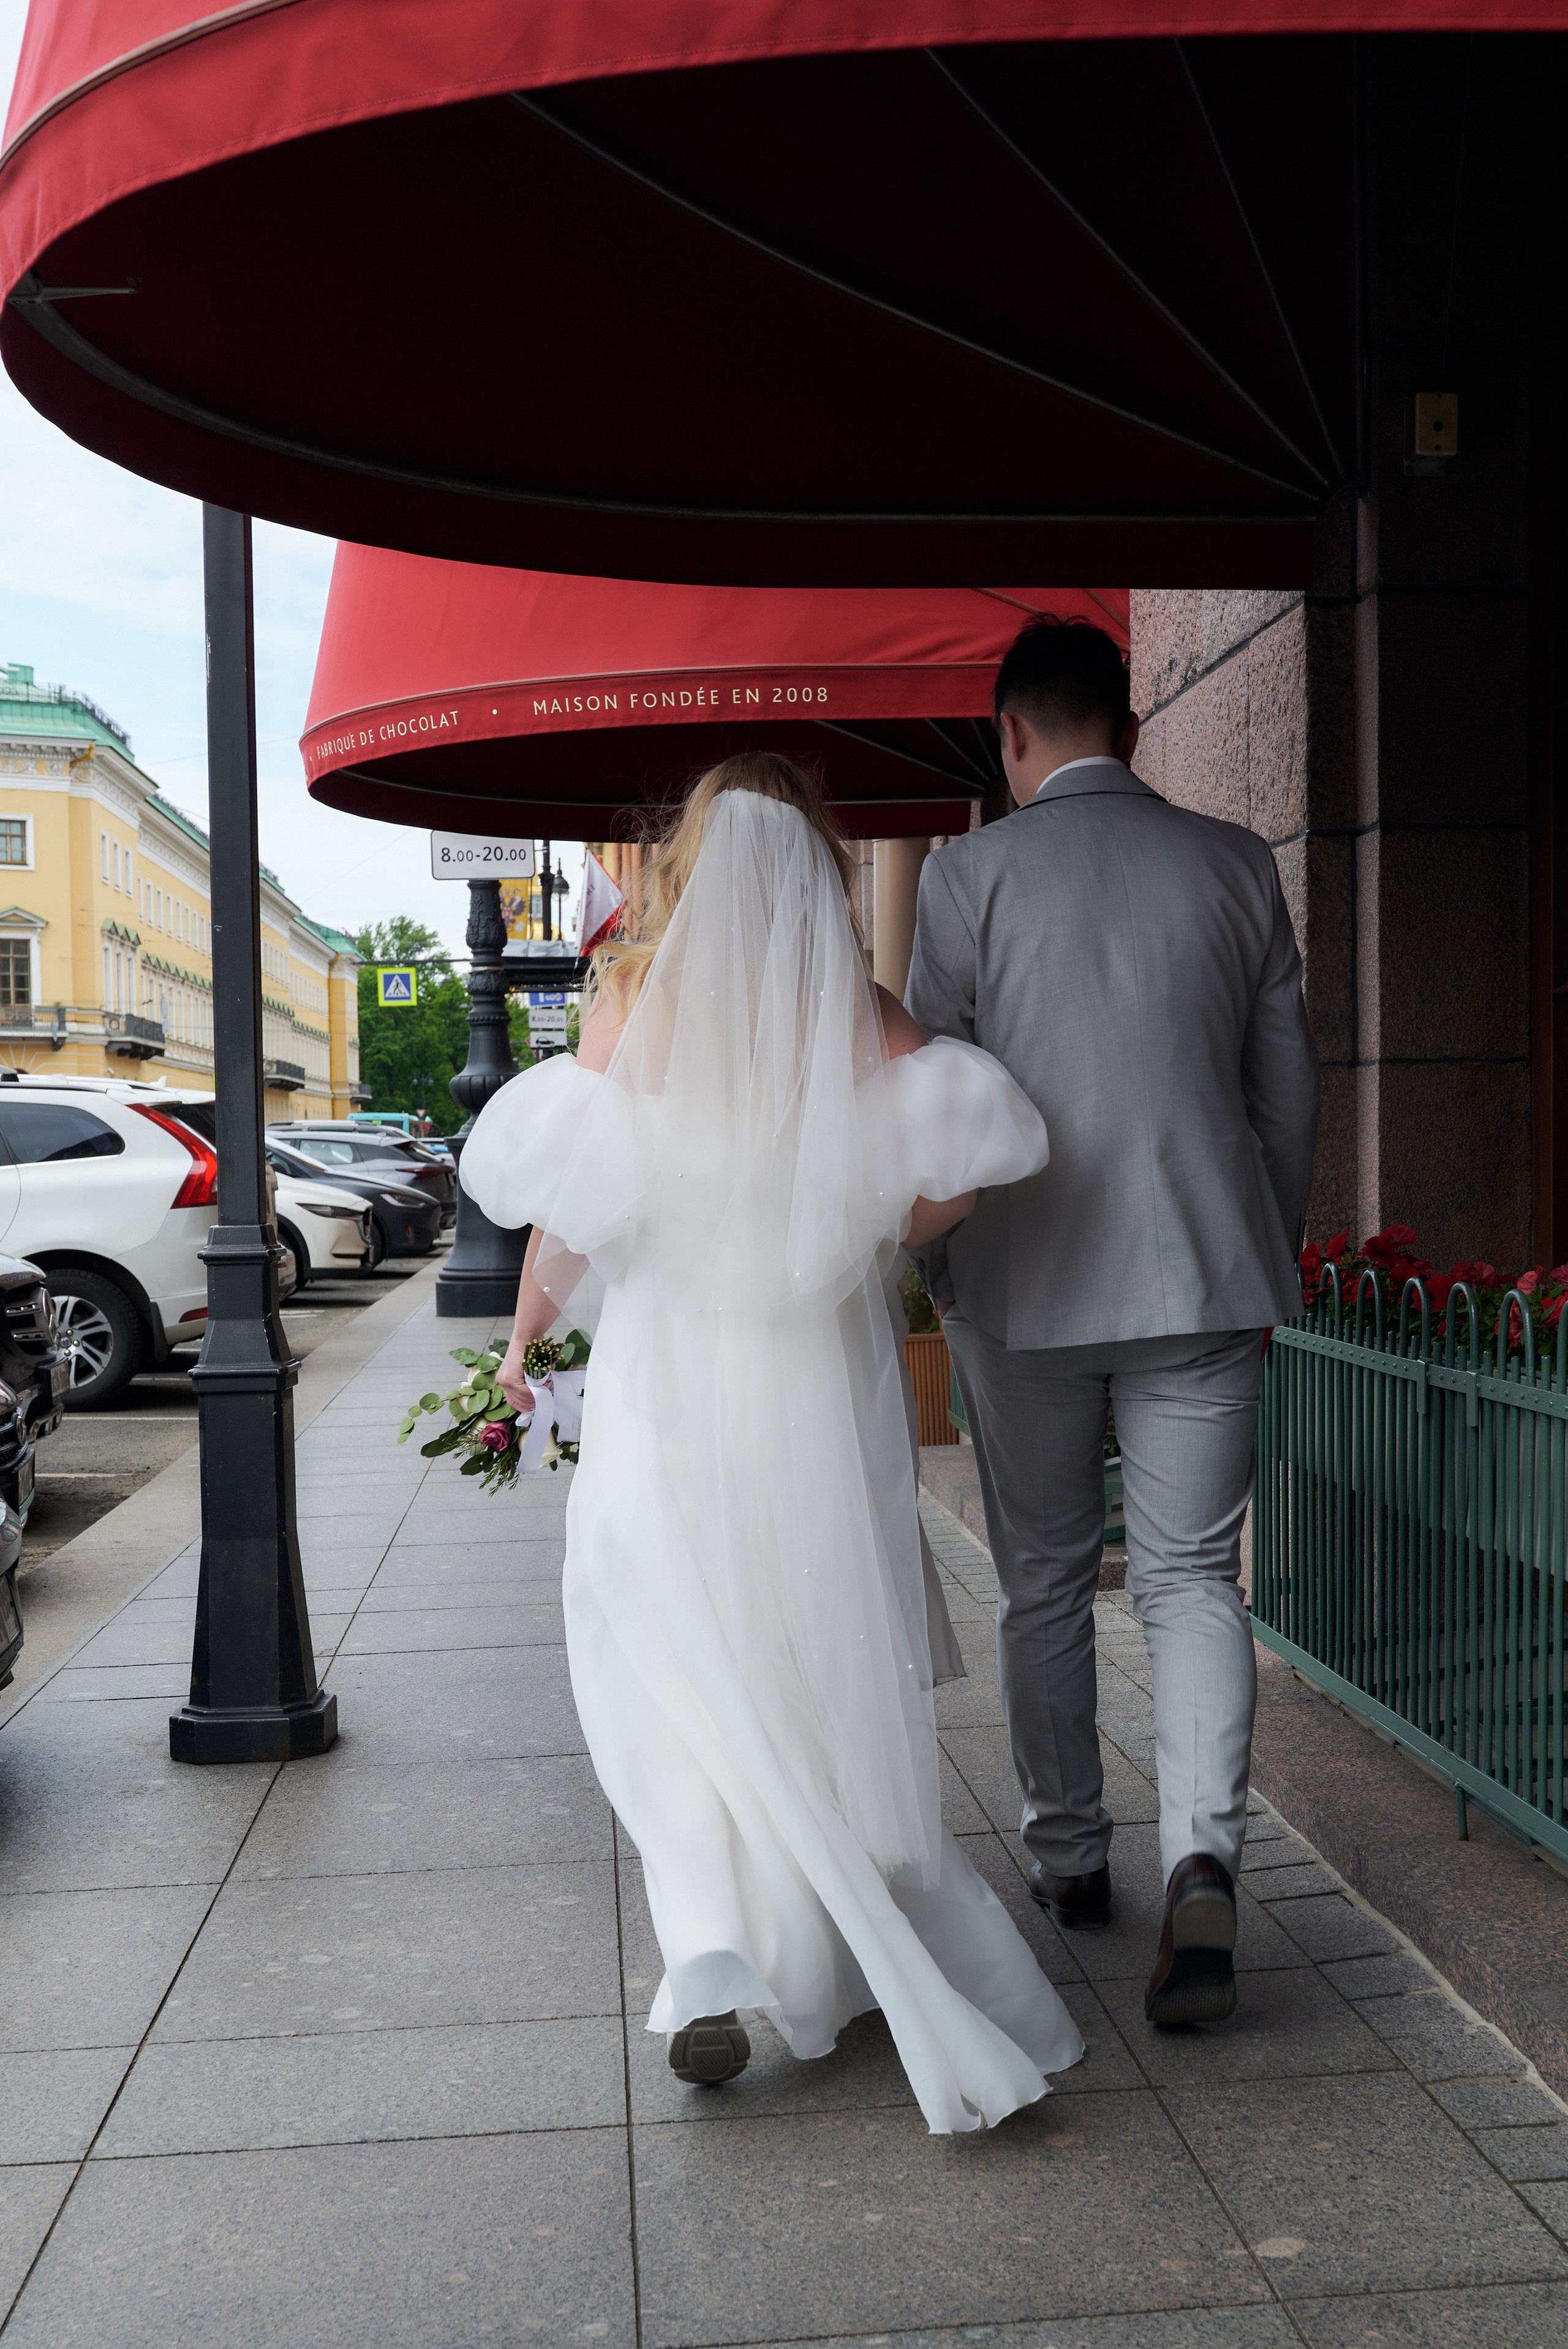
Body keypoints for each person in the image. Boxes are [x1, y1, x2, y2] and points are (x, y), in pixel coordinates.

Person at [458, 754, 1084, 2133]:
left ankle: (708, 1947)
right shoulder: (862, 1017)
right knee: (797, 1659)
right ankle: (813, 1942)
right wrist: (846, 1230)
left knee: (655, 1656)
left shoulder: (630, 1001)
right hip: (810, 1380)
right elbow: (957, 1181)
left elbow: (567, 1217)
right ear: (813, 867)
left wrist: (517, 1351)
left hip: (665, 1381)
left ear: (684, 863)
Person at [905, 617, 1319, 2027]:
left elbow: (936, 1097)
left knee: (1040, 1574)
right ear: (1131, 727)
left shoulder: (964, 877)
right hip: (1202, 1270)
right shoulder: (1232, 863)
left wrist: (943, 1278)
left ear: (1008, 735)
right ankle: (1201, 1850)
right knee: (1193, 1578)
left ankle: (1070, 1857)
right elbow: (1286, 1094)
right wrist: (1264, 1249)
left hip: (1019, 1284)